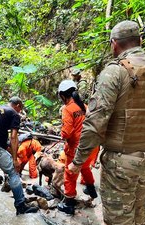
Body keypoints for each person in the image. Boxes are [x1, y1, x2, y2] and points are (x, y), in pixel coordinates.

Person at [68, 20, 145, 225]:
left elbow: (96, 122)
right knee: (139, 213)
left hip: (121, 163)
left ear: (114, 44)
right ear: (140, 41)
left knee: (119, 220)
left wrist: (77, 161)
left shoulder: (115, 72)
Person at [56, 80, 98, 215]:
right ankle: (92, 192)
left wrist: (62, 135)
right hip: (91, 146)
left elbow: (66, 132)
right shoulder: (85, 106)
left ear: (63, 95)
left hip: (76, 148)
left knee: (70, 174)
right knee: (85, 168)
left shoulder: (67, 109)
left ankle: (69, 204)